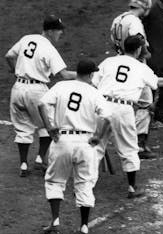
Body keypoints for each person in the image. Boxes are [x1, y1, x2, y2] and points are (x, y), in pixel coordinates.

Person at [92, 35, 163, 198]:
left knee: (95, 146)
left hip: (101, 105)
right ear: (138, 50)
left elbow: (94, 81)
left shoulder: (109, 62)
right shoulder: (141, 67)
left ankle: (84, 185)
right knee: (128, 147)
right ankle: (131, 188)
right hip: (123, 108)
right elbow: (158, 83)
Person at [38, 59, 111, 234]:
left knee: (55, 181)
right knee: (85, 183)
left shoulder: (61, 86)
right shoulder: (95, 92)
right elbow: (107, 118)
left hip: (62, 140)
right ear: (91, 75)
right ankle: (84, 226)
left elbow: (41, 104)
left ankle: (55, 222)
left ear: (76, 72)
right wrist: (98, 137)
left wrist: (49, 128)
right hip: (86, 143)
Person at [5, 15, 77, 177]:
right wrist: (84, 74)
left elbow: (9, 56)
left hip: (17, 88)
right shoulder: (49, 49)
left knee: (23, 127)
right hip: (37, 91)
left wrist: (15, 71)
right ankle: (40, 159)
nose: (61, 34)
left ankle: (23, 164)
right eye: (59, 31)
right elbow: (64, 75)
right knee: (48, 123)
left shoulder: (27, 38)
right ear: (50, 31)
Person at [111, 0, 156, 159]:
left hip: (119, 63)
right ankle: (139, 145)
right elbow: (139, 40)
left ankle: (125, 139)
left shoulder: (117, 19)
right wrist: (145, 54)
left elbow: (113, 43)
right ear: (144, 6)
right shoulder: (135, 21)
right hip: (135, 65)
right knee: (146, 103)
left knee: (123, 100)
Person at [142, 0, 163, 125]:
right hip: (152, 54)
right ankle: (147, 117)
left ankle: (159, 114)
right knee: (150, 85)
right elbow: (142, 29)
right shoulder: (150, 9)